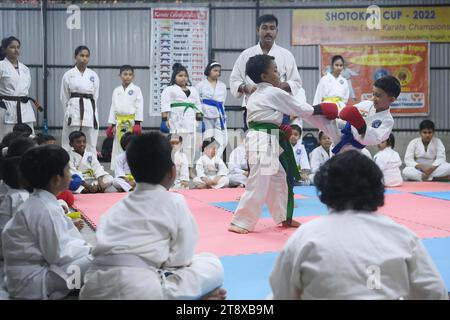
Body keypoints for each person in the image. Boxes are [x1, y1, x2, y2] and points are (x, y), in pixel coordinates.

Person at [270, 151, 448, 300]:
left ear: (324, 190)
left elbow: (281, 294)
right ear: (378, 189)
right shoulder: (402, 236)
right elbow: (436, 293)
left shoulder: (306, 237)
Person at [79, 132, 226, 300]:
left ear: (132, 174)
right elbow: (181, 259)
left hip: (92, 287)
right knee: (211, 263)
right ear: (172, 171)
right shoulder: (175, 201)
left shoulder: (114, 209)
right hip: (140, 289)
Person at [228, 55, 338, 234]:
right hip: (263, 140)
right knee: (258, 181)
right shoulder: (272, 92)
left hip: (266, 137)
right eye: (275, 70)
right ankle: (240, 222)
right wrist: (321, 108)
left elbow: (267, 116)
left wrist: (281, 127)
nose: (279, 73)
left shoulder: (257, 93)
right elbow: (299, 109)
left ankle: (283, 217)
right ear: (264, 76)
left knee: (278, 178)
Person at [2, 145, 93, 300]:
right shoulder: (44, 209)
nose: (70, 175)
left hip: (30, 275)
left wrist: (87, 248)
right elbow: (59, 255)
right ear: (57, 179)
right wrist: (91, 250)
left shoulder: (42, 202)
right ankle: (67, 290)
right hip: (33, 282)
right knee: (100, 261)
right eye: (68, 170)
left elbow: (64, 242)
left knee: (96, 258)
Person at [230, 14, 302, 130]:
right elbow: (234, 80)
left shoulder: (286, 55)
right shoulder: (246, 55)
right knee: (255, 144)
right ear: (258, 30)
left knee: (280, 145)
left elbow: (296, 82)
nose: (268, 32)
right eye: (265, 28)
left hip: (280, 108)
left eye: (272, 28)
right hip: (253, 109)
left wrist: (279, 86)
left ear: (277, 31)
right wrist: (246, 88)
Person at [305, 75, 401, 156]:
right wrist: (332, 114)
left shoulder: (387, 121)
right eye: (373, 94)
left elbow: (372, 139)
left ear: (391, 99)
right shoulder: (367, 104)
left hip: (354, 148)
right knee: (325, 113)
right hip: (341, 133)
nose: (373, 98)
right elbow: (345, 114)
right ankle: (305, 110)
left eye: (378, 96)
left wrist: (361, 126)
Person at [160, 63, 203, 168]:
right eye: (180, 75)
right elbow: (165, 105)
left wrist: (200, 120)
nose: (183, 78)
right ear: (174, 77)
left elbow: (197, 105)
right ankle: (175, 168)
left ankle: (189, 169)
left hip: (191, 121)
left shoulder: (193, 90)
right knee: (176, 146)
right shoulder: (169, 90)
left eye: (185, 75)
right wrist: (164, 120)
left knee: (190, 146)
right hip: (176, 121)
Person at [0, 36, 42, 138]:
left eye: (18, 47)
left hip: (24, 106)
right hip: (6, 106)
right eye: (12, 47)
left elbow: (25, 89)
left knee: (29, 136)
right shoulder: (1, 66)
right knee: (5, 136)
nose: (16, 50)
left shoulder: (25, 69)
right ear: (5, 49)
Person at [60, 46, 99, 153]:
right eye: (81, 55)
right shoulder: (68, 75)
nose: (84, 58)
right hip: (73, 109)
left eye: (87, 56)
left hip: (89, 108)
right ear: (75, 57)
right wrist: (68, 112)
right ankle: (68, 164)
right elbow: (64, 97)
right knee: (70, 138)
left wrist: (93, 111)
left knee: (90, 139)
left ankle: (90, 165)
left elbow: (95, 96)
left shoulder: (93, 75)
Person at [106, 65, 143, 172]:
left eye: (130, 74)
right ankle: (118, 171)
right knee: (117, 146)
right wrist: (111, 125)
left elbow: (139, 106)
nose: (127, 77)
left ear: (133, 76)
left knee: (131, 145)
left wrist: (138, 123)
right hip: (119, 122)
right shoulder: (116, 90)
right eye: (125, 74)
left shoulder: (136, 89)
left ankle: (132, 170)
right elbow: (113, 107)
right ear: (120, 76)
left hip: (131, 122)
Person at [195, 61, 227, 155]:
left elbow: (223, 101)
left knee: (222, 140)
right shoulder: (200, 85)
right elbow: (196, 101)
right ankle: (203, 160)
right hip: (205, 114)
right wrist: (198, 115)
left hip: (219, 114)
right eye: (215, 70)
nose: (217, 73)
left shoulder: (222, 85)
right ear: (209, 71)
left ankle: (215, 159)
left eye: (219, 71)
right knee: (206, 138)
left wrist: (223, 114)